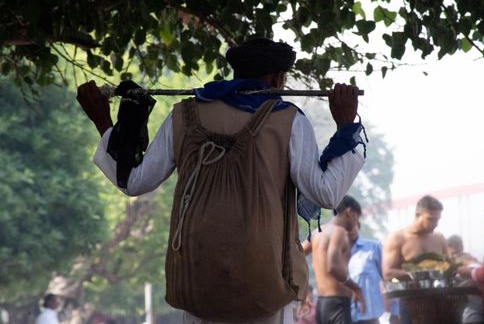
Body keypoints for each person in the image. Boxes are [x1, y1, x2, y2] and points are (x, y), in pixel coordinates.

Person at [77, 38, 366, 324]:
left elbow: (134, 181)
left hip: (198, 285)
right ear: (279, 78)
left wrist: (103, 121)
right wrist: (345, 126)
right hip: (265, 289)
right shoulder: (289, 120)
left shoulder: (184, 115)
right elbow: (326, 193)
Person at [382, 195, 448, 324]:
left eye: (437, 219)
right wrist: (419, 275)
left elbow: (449, 267)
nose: (435, 223)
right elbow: (388, 273)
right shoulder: (398, 238)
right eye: (431, 219)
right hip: (410, 303)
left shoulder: (439, 238)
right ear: (418, 215)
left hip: (440, 302)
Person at [307, 197, 366, 324]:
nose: (356, 222)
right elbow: (333, 266)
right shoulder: (339, 232)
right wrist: (356, 288)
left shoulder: (317, 232)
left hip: (321, 305)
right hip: (338, 304)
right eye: (357, 217)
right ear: (350, 212)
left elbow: (297, 252)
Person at [346, 197, 384, 324]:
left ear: (358, 226)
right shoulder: (337, 251)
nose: (350, 229)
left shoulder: (373, 247)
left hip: (369, 315)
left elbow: (387, 277)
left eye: (353, 226)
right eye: (347, 227)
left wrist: (393, 310)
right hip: (346, 314)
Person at [447, 235, 484, 324]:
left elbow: (475, 269)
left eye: (455, 253)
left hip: (476, 309)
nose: (454, 257)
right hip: (480, 306)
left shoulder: (465, 260)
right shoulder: (466, 259)